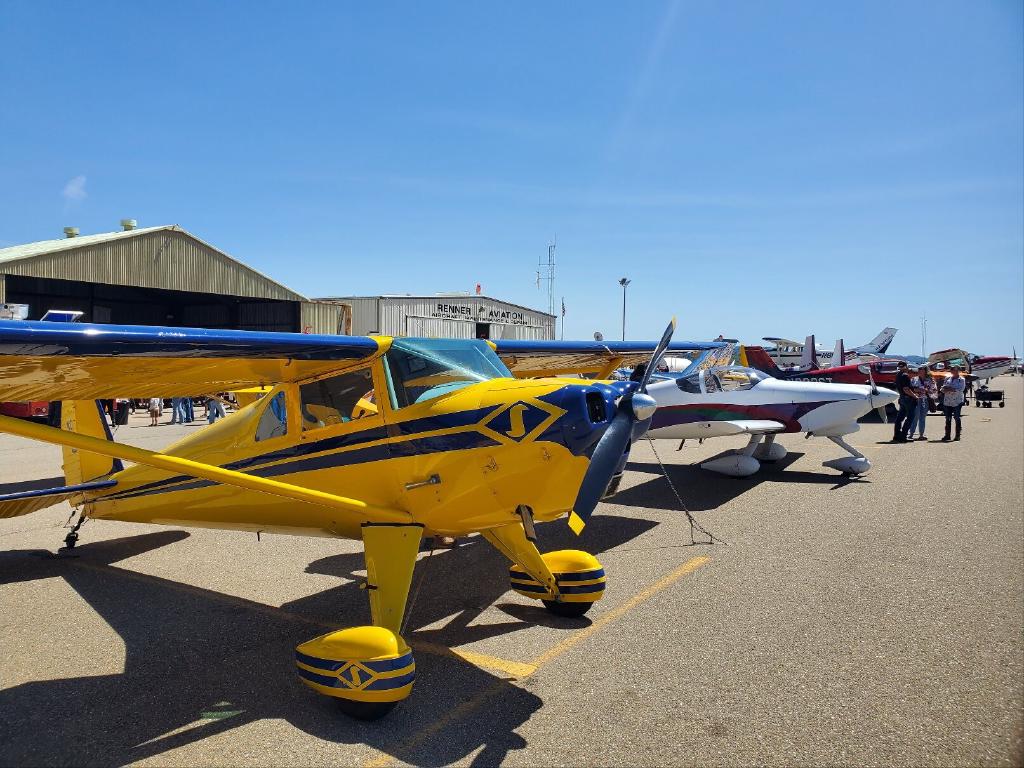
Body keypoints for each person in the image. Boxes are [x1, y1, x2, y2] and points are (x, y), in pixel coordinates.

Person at [907, 365, 936, 440]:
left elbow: (934, 390)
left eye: (921, 369)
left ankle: (921, 435)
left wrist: (927, 391)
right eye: (918, 369)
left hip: (925, 400)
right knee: (915, 417)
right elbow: (910, 389)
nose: (919, 370)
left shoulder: (931, 380)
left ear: (925, 370)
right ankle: (911, 434)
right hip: (915, 400)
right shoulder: (914, 379)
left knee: (922, 418)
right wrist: (918, 390)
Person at [892, 361, 917, 443]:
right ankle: (903, 436)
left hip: (902, 398)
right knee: (910, 417)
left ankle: (896, 435)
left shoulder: (898, 375)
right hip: (908, 399)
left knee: (899, 418)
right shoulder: (905, 376)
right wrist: (915, 396)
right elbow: (906, 389)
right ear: (906, 366)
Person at [940, 365, 966, 442]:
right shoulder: (947, 378)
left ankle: (957, 435)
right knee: (948, 418)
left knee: (957, 417)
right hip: (947, 401)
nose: (952, 371)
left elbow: (960, 389)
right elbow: (942, 388)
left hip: (957, 401)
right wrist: (946, 389)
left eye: (954, 369)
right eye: (951, 369)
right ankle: (947, 435)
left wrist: (949, 389)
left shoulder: (961, 379)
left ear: (958, 370)